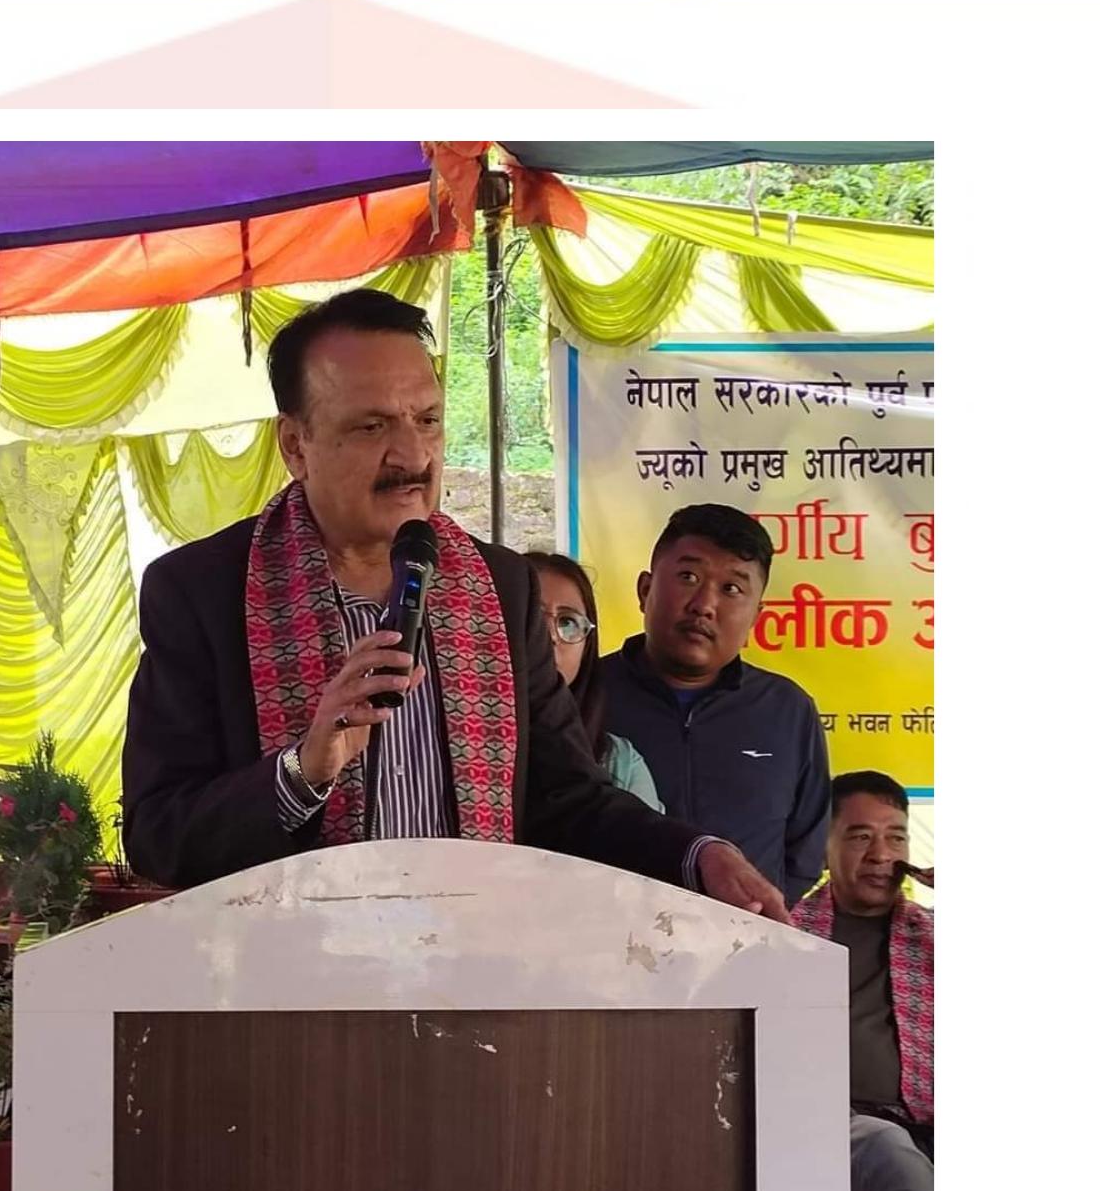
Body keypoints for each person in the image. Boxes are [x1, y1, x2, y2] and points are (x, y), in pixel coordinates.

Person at [121, 288, 786, 921]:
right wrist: (304, 770)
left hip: (473, 969)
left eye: (428, 420)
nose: (412, 455)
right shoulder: (202, 591)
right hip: (287, 979)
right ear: (296, 445)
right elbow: (158, 836)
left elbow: (567, 798)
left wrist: (697, 854)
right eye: (372, 426)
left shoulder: (500, 586)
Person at [599, 503, 830, 906]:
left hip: (743, 937)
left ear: (755, 617)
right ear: (645, 590)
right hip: (610, 933)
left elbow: (804, 853)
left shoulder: (788, 711)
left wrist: (750, 914)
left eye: (732, 589)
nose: (704, 604)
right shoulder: (582, 696)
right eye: (688, 577)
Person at [791, 770, 934, 1191]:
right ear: (824, 848)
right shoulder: (785, 934)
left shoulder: (936, 934)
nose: (881, 854)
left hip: (927, 1131)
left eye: (896, 837)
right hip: (826, 1130)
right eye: (860, 837)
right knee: (882, 1143)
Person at [524, 551, 663, 813]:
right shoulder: (452, 741)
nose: (551, 636)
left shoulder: (619, 763)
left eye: (568, 622)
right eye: (533, 618)